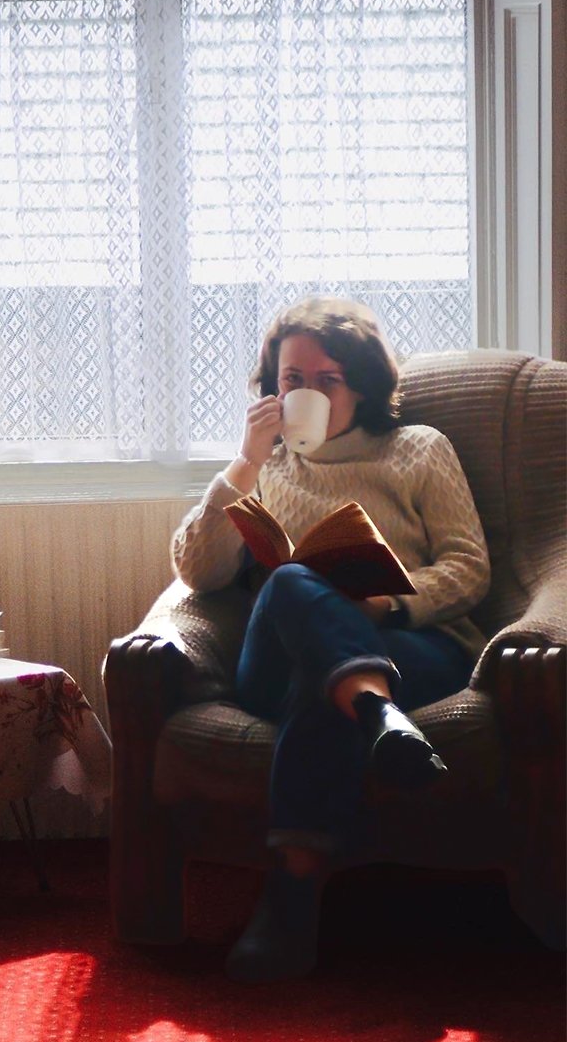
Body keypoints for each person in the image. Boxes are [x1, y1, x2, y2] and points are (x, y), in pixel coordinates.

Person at [171, 296, 490, 982]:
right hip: (280, 657)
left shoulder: (417, 451)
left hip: (413, 647)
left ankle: (289, 904)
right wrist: (244, 465)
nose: (306, 393)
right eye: (292, 380)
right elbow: (198, 571)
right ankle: (378, 716)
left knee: (320, 692)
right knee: (288, 583)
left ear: (363, 385)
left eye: (327, 379)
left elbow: (469, 567)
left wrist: (383, 603)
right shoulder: (267, 471)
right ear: (271, 388)